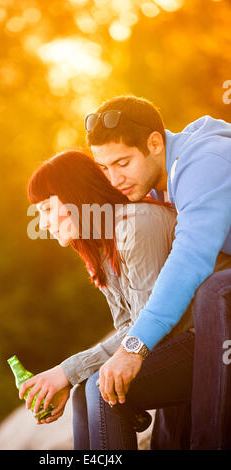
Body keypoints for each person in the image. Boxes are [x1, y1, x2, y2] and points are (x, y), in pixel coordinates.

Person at [21, 149, 197, 449]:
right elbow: (127, 326)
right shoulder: (102, 247)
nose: (44, 223)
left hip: (201, 341)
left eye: (47, 209)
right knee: (81, 392)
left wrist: (67, 370)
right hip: (172, 346)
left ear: (74, 196)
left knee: (100, 391)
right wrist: (70, 376)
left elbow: (149, 330)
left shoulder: (138, 223)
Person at [83, 95, 231, 449]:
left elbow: (190, 257)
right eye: (104, 168)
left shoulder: (203, 162)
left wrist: (134, 347)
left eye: (122, 162)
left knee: (212, 291)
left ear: (154, 143)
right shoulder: (157, 184)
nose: (114, 178)